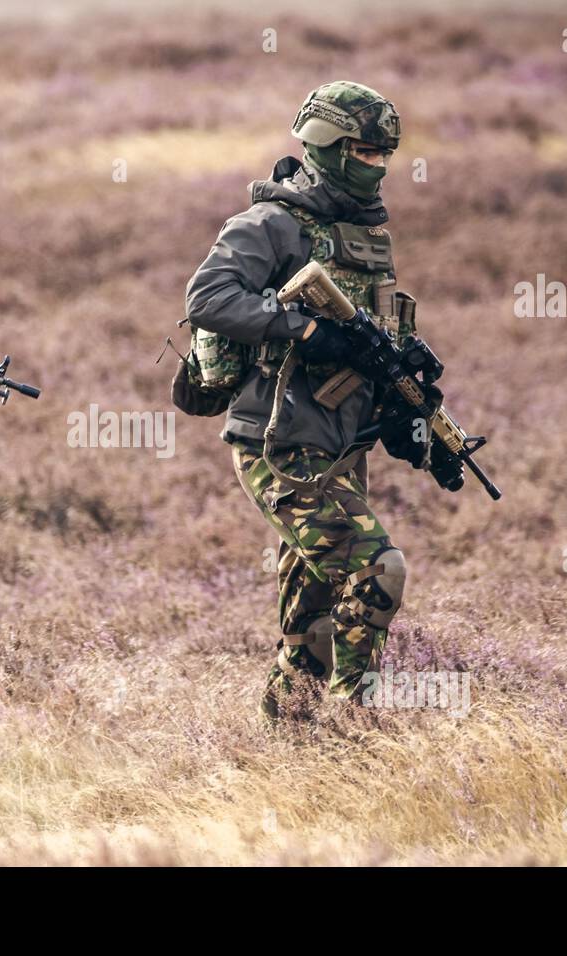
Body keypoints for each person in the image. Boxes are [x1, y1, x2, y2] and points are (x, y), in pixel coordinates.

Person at [185, 82, 414, 723]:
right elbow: (206, 298)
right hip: (278, 442)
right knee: (376, 570)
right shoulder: (271, 223)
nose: (377, 165)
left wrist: (406, 404)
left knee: (311, 619)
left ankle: (290, 746)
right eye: (364, 152)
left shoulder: (362, 233)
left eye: (384, 155)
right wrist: (305, 330)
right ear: (327, 145)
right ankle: (355, 727)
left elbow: (374, 335)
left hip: (342, 444)